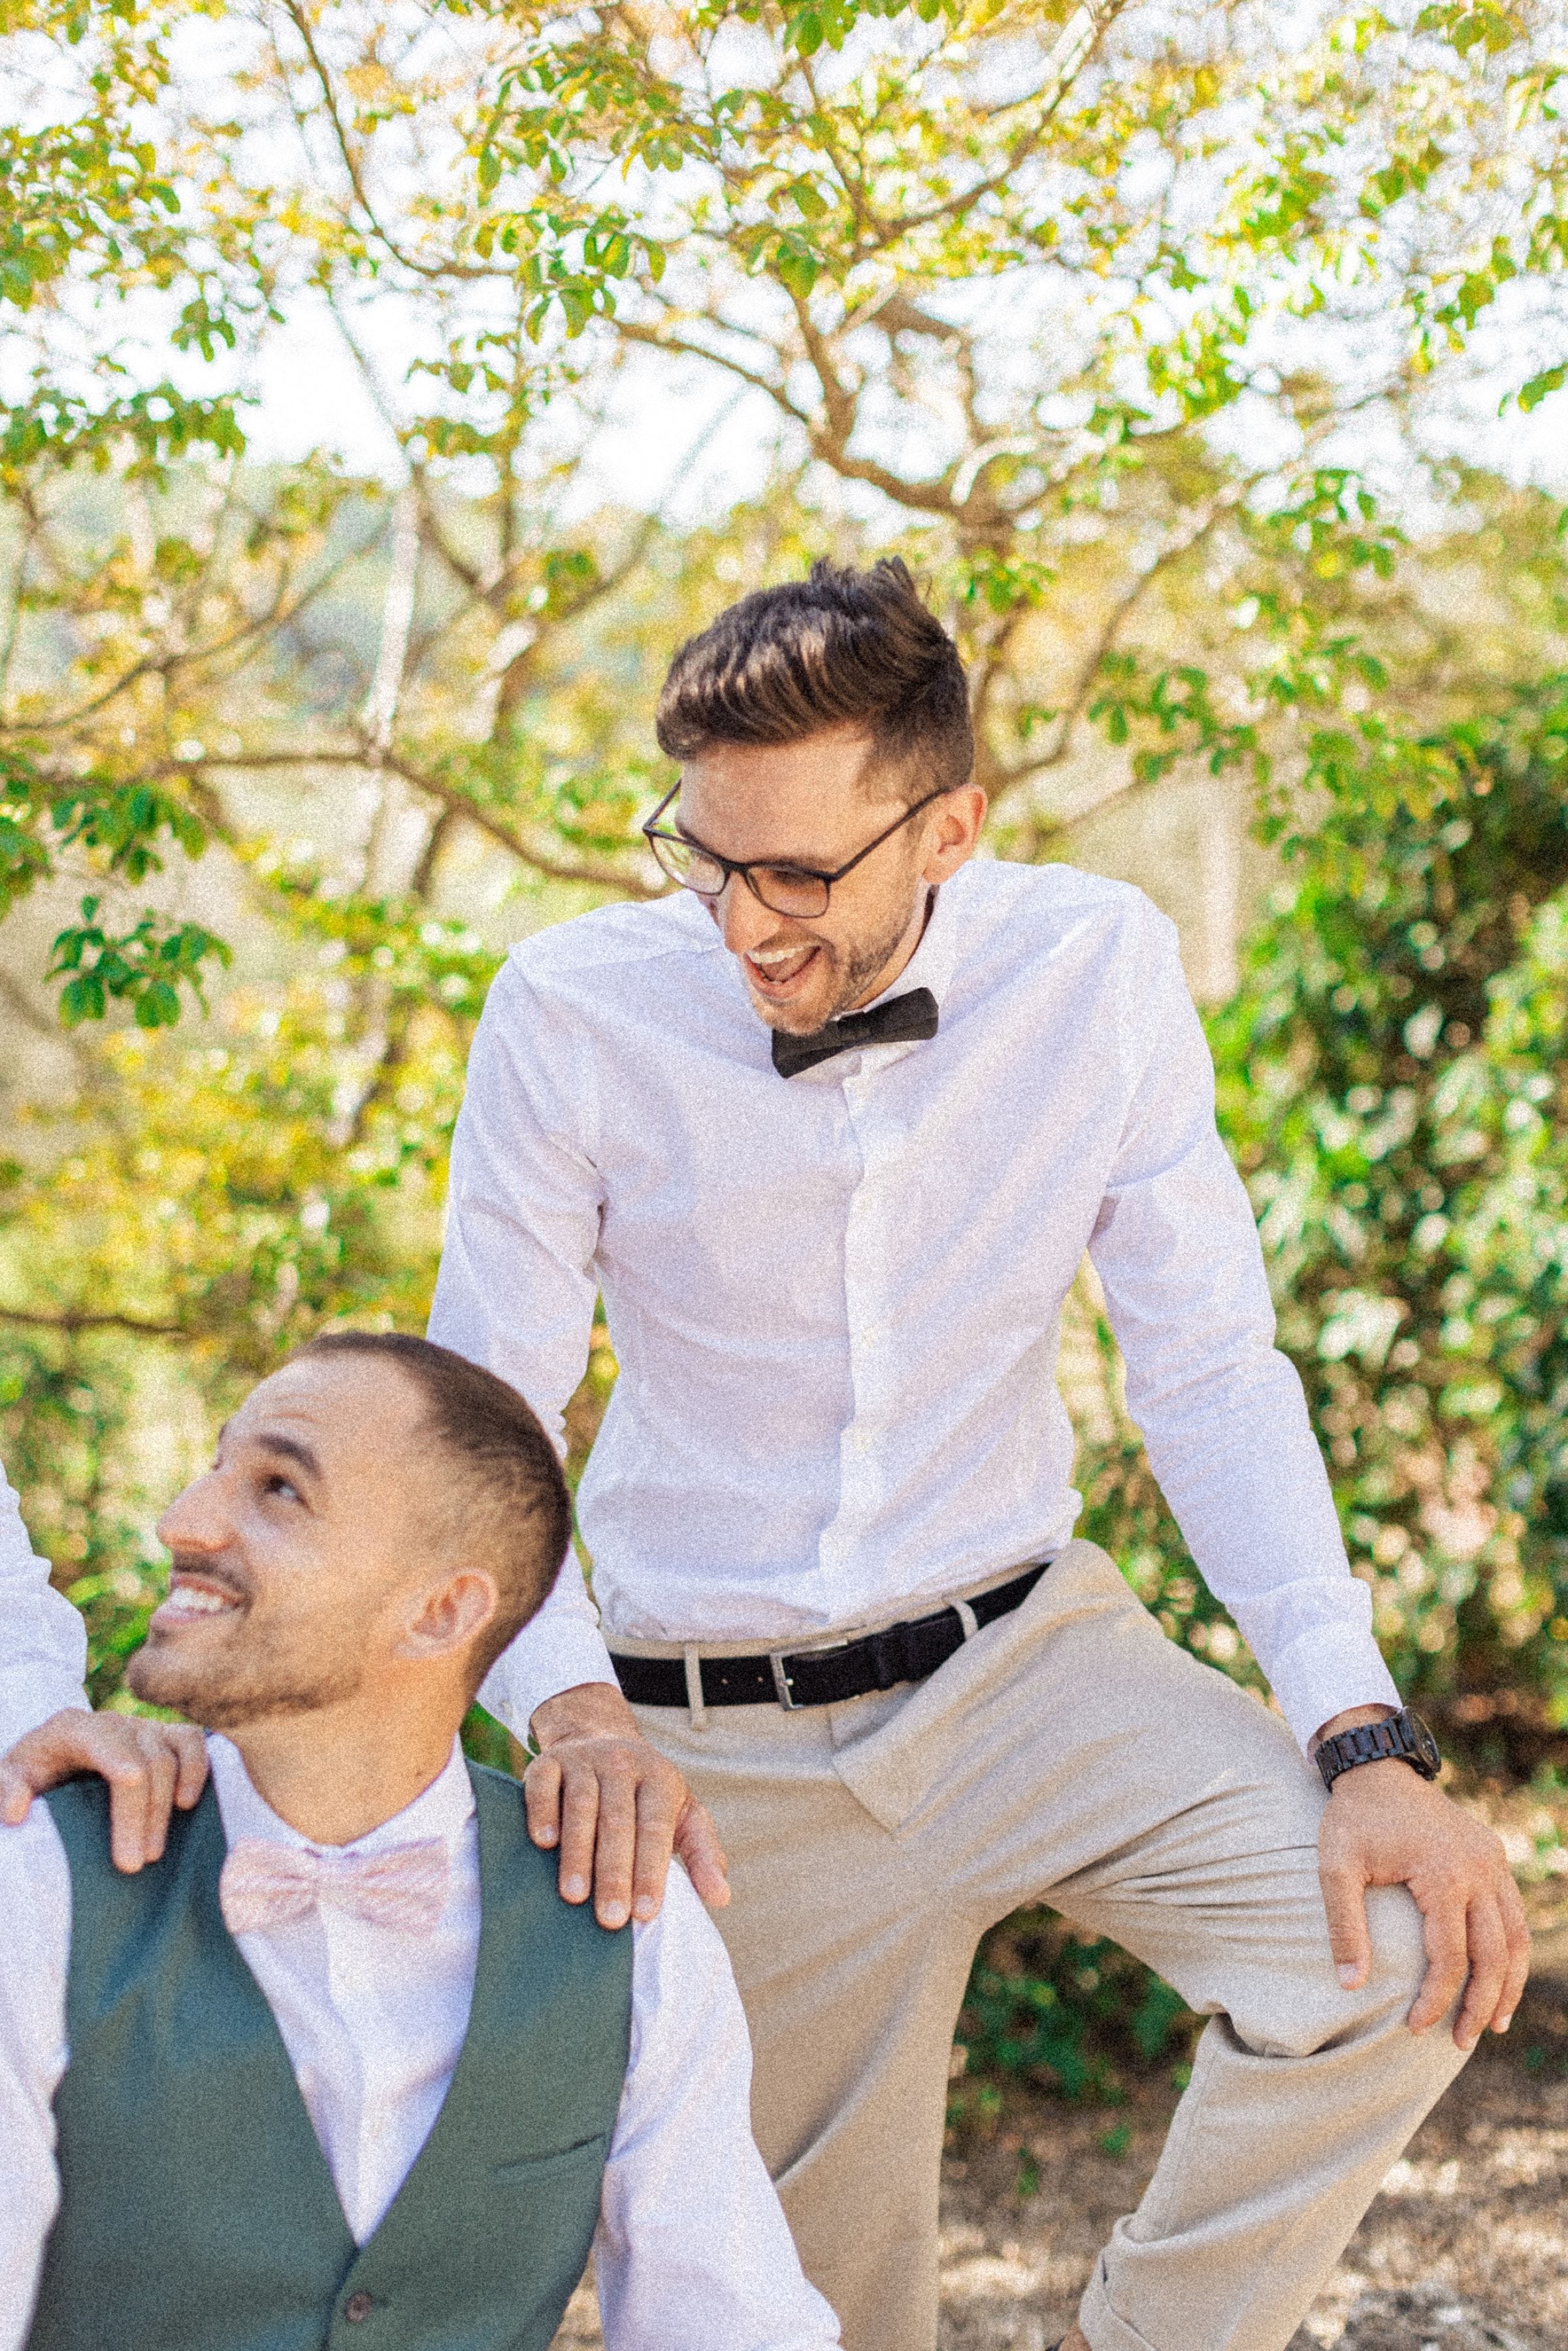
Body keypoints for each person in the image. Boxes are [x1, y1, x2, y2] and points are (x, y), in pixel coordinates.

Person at [5, 561, 1529, 2351]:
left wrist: (1356, 1726)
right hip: (718, 1727)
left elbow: (1208, 1364)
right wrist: (568, 1707)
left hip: (1037, 1657)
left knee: (1411, 1948)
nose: (747, 924)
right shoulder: (572, 1012)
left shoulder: (1095, 964)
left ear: (951, 822)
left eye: (801, 872)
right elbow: (492, 1422)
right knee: (803, 2313)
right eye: (708, 860)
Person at [0, 1333, 840, 2351]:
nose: (183, 1522)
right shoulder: (42, 1881)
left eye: (278, 1489)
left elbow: (726, 2324)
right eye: (213, 1468)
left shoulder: (623, 1918)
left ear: (441, 1611)